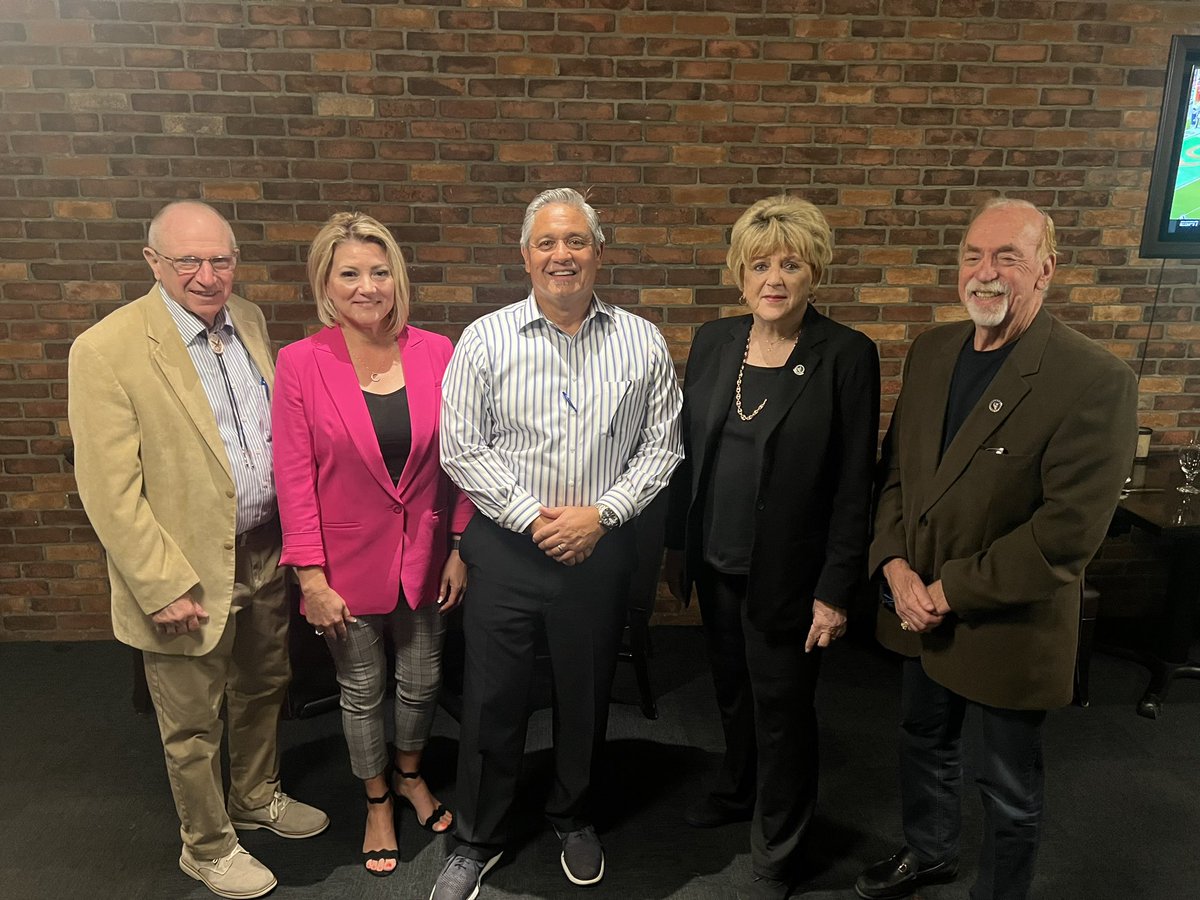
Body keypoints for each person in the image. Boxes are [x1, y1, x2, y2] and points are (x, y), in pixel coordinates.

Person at [855, 197, 1138, 900]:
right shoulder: (931, 352)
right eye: (974, 256)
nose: (986, 273)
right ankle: (930, 851)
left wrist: (945, 592)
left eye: (1007, 257)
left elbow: (1065, 535)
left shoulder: (1094, 380)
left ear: (1046, 269)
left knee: (1006, 782)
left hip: (1005, 623)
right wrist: (893, 566)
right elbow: (896, 473)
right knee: (923, 743)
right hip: (916, 607)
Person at [67, 201, 328, 900]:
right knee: (190, 721)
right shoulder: (107, 349)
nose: (208, 276)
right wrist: (160, 586)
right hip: (183, 572)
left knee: (263, 687)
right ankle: (206, 846)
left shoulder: (248, 318)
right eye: (188, 261)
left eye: (220, 259)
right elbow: (110, 493)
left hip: (263, 554)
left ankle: (255, 796)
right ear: (153, 262)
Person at [433, 187, 684, 900]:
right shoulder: (485, 338)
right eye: (546, 243)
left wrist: (602, 514)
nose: (561, 255)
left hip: (598, 550)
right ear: (525, 255)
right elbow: (461, 446)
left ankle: (572, 815)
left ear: (599, 252)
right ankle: (477, 835)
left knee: (585, 691)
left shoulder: (641, 339)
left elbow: (661, 448)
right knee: (491, 696)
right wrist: (533, 518)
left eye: (576, 241)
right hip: (508, 548)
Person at [662, 195, 880, 900]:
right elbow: (687, 457)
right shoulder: (717, 341)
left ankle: (779, 848)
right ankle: (737, 787)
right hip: (718, 562)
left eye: (791, 263)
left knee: (784, 711)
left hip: (790, 575)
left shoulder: (846, 355)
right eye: (761, 264)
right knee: (732, 692)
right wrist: (677, 547)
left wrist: (835, 588)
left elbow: (855, 487)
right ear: (740, 273)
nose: (775, 279)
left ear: (813, 272)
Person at [272, 212, 475, 878]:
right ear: (326, 285)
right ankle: (378, 798)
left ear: (397, 278)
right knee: (362, 691)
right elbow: (294, 477)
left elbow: (463, 457)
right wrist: (309, 576)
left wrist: (460, 544)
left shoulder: (437, 353)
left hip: (425, 554)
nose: (367, 287)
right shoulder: (301, 363)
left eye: (379, 272)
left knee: (420, 683)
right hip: (341, 566)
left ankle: (412, 774)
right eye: (350, 274)